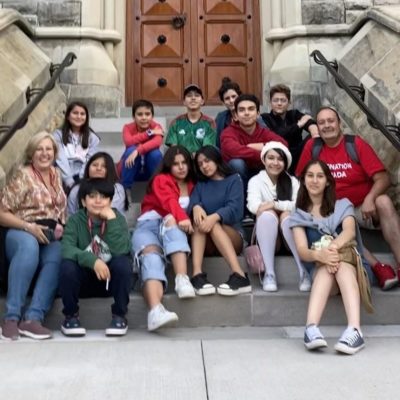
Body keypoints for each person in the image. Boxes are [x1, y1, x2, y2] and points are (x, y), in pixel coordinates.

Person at [296, 106, 400, 290]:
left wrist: (370, 197)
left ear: (339, 124)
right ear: (317, 128)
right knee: (331, 225)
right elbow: (301, 179)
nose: (327, 125)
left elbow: (383, 178)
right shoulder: (313, 147)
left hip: (362, 209)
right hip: (331, 211)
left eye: (331, 121)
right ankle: (378, 266)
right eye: (321, 122)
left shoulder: (355, 144)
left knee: (383, 201)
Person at [290, 160, 366, 355]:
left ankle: (355, 330)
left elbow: (348, 232)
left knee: (340, 265)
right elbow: (302, 250)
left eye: (320, 176)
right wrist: (320, 255)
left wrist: (332, 250)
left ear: (328, 182)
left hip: (352, 271)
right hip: (324, 273)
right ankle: (311, 328)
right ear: (303, 180)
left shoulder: (343, 205)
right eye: (310, 176)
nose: (314, 180)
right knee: (326, 268)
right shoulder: (298, 214)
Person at [0, 131, 66, 340]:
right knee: (29, 248)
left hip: (47, 233)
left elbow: (59, 209)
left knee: (57, 255)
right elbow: (2, 212)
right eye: (40, 149)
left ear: (54, 152)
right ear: (32, 152)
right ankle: (11, 318)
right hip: (20, 229)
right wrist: (28, 227)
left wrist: (61, 226)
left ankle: (33, 319)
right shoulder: (23, 175)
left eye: (49, 149)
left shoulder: (57, 174)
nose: (44, 153)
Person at [131, 145, 196, 332]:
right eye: (175, 164)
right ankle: (155, 311)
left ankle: (182, 279)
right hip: (148, 226)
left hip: (173, 228)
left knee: (171, 222)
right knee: (151, 256)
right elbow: (169, 202)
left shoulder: (193, 184)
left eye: (184, 163)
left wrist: (179, 218)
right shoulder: (161, 179)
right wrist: (181, 217)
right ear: (168, 166)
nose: (181, 167)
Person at [59, 178, 133, 337]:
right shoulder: (75, 220)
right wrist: (93, 261)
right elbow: (67, 248)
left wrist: (111, 221)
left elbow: (121, 250)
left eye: (104, 197)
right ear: (84, 202)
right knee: (67, 266)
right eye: (92, 196)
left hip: (109, 281)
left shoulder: (117, 218)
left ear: (110, 201)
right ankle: (71, 316)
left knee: (123, 264)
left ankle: (119, 316)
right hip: (82, 282)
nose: (98, 201)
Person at [247, 141, 310, 292]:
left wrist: (275, 205)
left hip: (290, 238)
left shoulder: (293, 182)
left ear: (285, 162)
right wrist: (273, 210)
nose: (275, 163)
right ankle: (269, 274)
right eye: (271, 158)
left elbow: (299, 206)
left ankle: (304, 271)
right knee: (267, 215)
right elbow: (254, 207)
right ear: (264, 160)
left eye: (280, 159)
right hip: (270, 240)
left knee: (287, 216)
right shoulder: (256, 181)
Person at [189, 145, 251, 296]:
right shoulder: (201, 185)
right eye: (200, 164)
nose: (204, 166)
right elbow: (193, 202)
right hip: (208, 240)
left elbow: (235, 209)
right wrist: (196, 206)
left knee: (214, 224)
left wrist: (214, 217)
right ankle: (197, 275)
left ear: (216, 159)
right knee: (199, 223)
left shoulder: (234, 180)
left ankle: (240, 275)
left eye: (207, 160)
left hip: (233, 235)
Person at [220, 93, 287, 220]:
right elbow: (233, 150)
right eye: (242, 110)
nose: (246, 113)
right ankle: (243, 211)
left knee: (276, 161)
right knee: (237, 163)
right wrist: (263, 152)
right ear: (235, 115)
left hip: (259, 172)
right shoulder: (228, 133)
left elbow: (283, 144)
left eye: (251, 109)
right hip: (237, 177)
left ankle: (271, 206)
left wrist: (260, 145)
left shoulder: (262, 132)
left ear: (257, 114)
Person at [261, 84, 319, 173]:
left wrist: (315, 134)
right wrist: (298, 125)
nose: (279, 103)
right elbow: (277, 135)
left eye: (283, 100)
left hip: (298, 154)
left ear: (289, 102)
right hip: (278, 156)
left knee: (314, 139)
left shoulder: (294, 114)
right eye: (275, 100)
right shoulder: (265, 118)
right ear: (270, 102)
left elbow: (309, 121)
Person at [118, 99, 163, 191]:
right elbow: (129, 142)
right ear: (133, 116)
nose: (144, 117)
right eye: (140, 114)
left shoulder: (157, 127)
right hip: (132, 171)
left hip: (150, 170)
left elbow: (157, 141)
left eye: (147, 114)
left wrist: (138, 151)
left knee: (155, 154)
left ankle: (158, 190)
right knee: (130, 150)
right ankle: (125, 192)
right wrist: (149, 133)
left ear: (152, 116)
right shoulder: (128, 127)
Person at [54, 101, 100, 192]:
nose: (79, 116)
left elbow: (90, 159)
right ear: (68, 116)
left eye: (82, 114)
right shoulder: (57, 135)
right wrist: (69, 181)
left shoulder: (93, 138)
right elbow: (60, 159)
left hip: (83, 175)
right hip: (63, 175)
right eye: (75, 113)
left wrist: (82, 179)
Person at [67, 152, 127, 217]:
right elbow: (71, 215)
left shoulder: (117, 189)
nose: (98, 168)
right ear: (88, 168)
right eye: (95, 165)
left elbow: (107, 213)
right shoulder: (77, 189)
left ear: (110, 169)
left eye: (104, 166)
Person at [215, 78, 266, 148]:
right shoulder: (221, 117)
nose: (231, 100)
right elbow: (218, 141)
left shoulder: (252, 115)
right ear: (223, 102)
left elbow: (266, 137)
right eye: (227, 98)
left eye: (234, 96)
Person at [165, 84, 216, 155]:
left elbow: (207, 148)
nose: (193, 98)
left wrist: (195, 156)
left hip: (201, 160)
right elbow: (174, 147)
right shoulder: (176, 122)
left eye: (197, 95)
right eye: (189, 96)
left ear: (202, 101)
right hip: (181, 160)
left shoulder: (209, 122)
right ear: (184, 102)